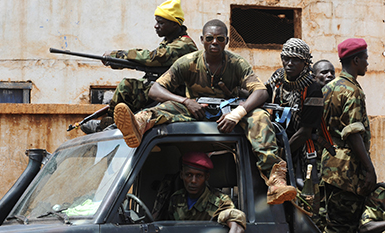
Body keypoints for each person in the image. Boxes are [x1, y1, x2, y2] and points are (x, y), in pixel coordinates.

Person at [114, 19, 297, 205]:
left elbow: (261, 92)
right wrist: (186, 101)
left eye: (219, 38)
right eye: (210, 38)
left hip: (229, 112)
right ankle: (138, 125)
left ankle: (275, 181)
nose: (214, 42)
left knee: (260, 117)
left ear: (226, 40)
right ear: (202, 39)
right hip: (195, 110)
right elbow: (155, 90)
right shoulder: (188, 62)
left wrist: (238, 113)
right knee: (165, 108)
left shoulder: (237, 63)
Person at [80, 0, 197, 134]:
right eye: (156, 21)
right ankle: (112, 123)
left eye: (161, 22)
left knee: (126, 86)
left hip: (177, 94)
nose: (156, 26)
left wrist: (117, 55)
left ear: (175, 24)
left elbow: (152, 58)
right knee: (129, 86)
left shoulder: (183, 45)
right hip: (165, 89)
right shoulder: (170, 41)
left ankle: (110, 124)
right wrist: (117, 62)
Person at [321, 38, 377, 233]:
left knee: (334, 224)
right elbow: (353, 134)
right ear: (355, 61)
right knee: (346, 227)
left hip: (330, 168)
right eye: (365, 58)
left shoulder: (328, 88)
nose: (367, 63)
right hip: (348, 172)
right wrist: (369, 169)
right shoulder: (352, 91)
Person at [265, 38, 323, 219]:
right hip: (279, 145)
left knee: (304, 200)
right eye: (286, 58)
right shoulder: (277, 79)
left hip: (300, 150)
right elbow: (263, 96)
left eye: (295, 59)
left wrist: (282, 156)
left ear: (305, 63)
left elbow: (305, 132)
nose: (289, 63)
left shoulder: (312, 89)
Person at [167, 152, 246, 232]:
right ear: (181, 175)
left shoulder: (219, 201)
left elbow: (233, 218)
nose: (193, 181)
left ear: (206, 177)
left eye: (199, 175)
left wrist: (234, 226)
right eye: (189, 175)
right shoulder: (176, 198)